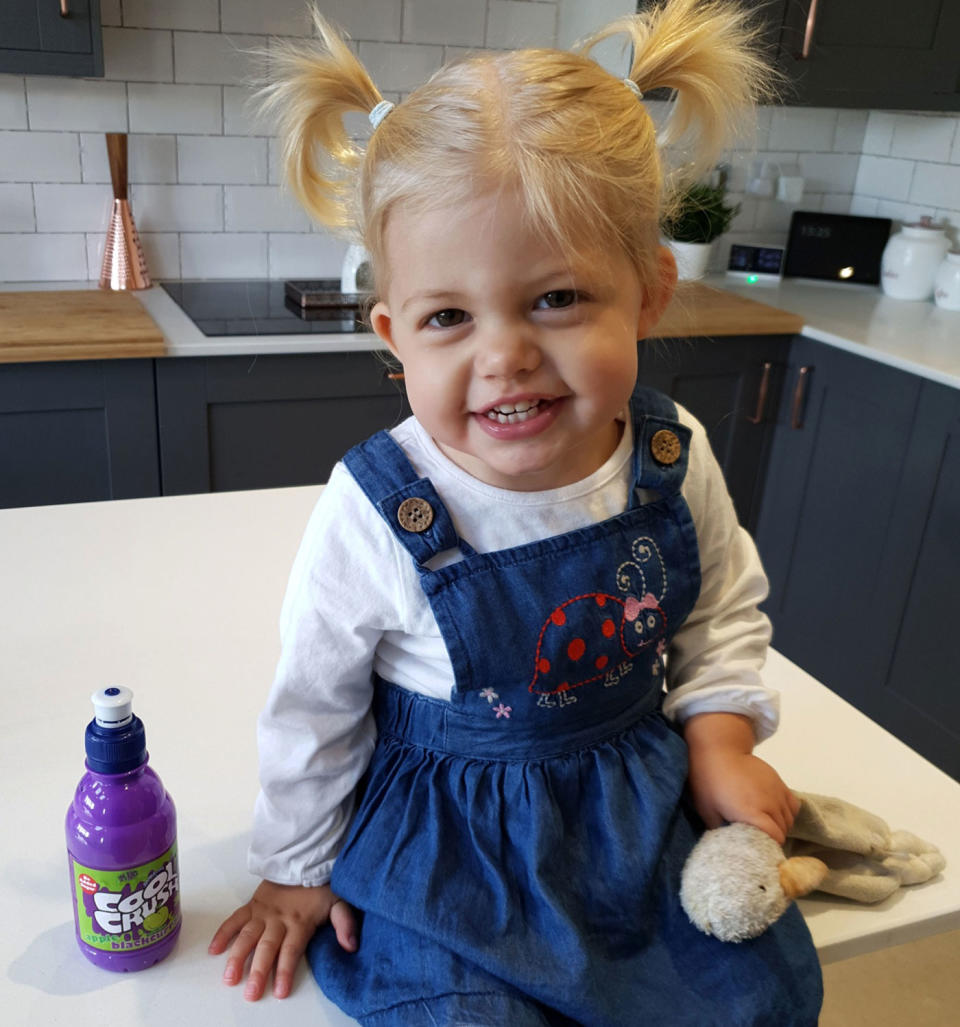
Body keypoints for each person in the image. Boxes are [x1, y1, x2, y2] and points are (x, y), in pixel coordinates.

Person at [209, 1, 823, 1023]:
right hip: (450, 845)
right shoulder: (379, 509)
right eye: (449, 317)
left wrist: (719, 739)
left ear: (650, 292)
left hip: (630, 818)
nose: (505, 355)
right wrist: (295, 867)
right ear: (394, 334)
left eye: (557, 299)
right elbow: (314, 708)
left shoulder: (671, 458)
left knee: (752, 991)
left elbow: (719, 618)